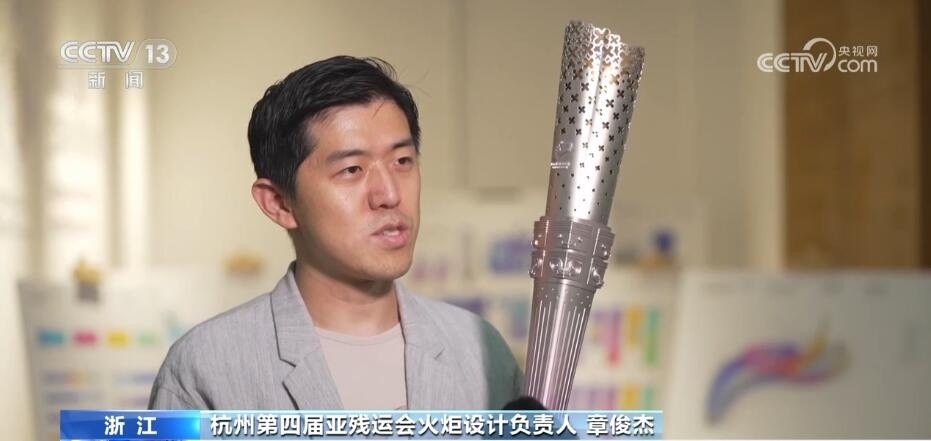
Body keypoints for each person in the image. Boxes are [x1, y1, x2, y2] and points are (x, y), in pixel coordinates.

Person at [147, 56, 523, 410]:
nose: (390, 194)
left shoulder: (479, 350)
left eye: (402, 161)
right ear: (278, 203)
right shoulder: (206, 367)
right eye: (351, 170)